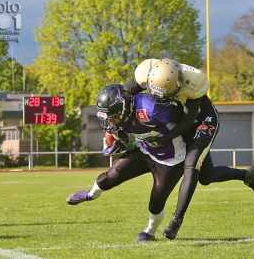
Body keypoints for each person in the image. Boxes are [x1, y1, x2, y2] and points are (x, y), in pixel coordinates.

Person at [125, 59, 254, 240]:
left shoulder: (194, 82)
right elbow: (124, 95)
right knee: (208, 177)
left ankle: (176, 220)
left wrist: (163, 139)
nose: (158, 100)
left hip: (201, 121)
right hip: (178, 123)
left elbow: (186, 123)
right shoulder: (145, 72)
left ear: (178, 86)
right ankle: (247, 175)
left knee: (191, 165)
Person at [66, 84, 186, 241]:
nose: (111, 121)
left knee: (156, 202)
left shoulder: (150, 109)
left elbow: (185, 120)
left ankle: (149, 232)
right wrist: (117, 140)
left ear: (125, 107)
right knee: (113, 173)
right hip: (145, 151)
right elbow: (120, 129)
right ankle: (91, 194)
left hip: (170, 159)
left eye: (113, 117)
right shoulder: (118, 115)